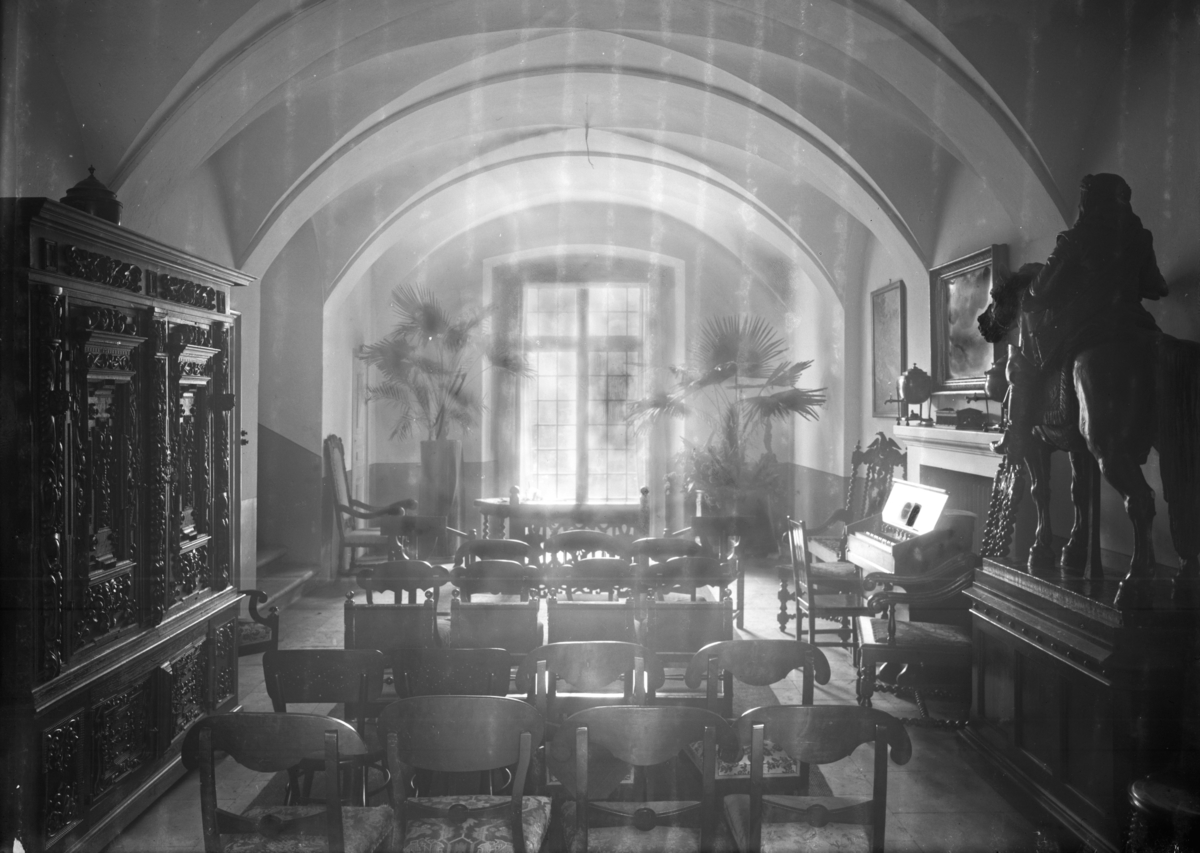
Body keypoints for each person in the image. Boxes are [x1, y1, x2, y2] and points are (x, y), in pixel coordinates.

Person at [993, 173, 1167, 456]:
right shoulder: (1141, 237)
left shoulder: (1075, 239)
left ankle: (1017, 434)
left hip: (1089, 329)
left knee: (1020, 365)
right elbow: (1157, 287)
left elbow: (1035, 296)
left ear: (1089, 201)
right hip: (1138, 324)